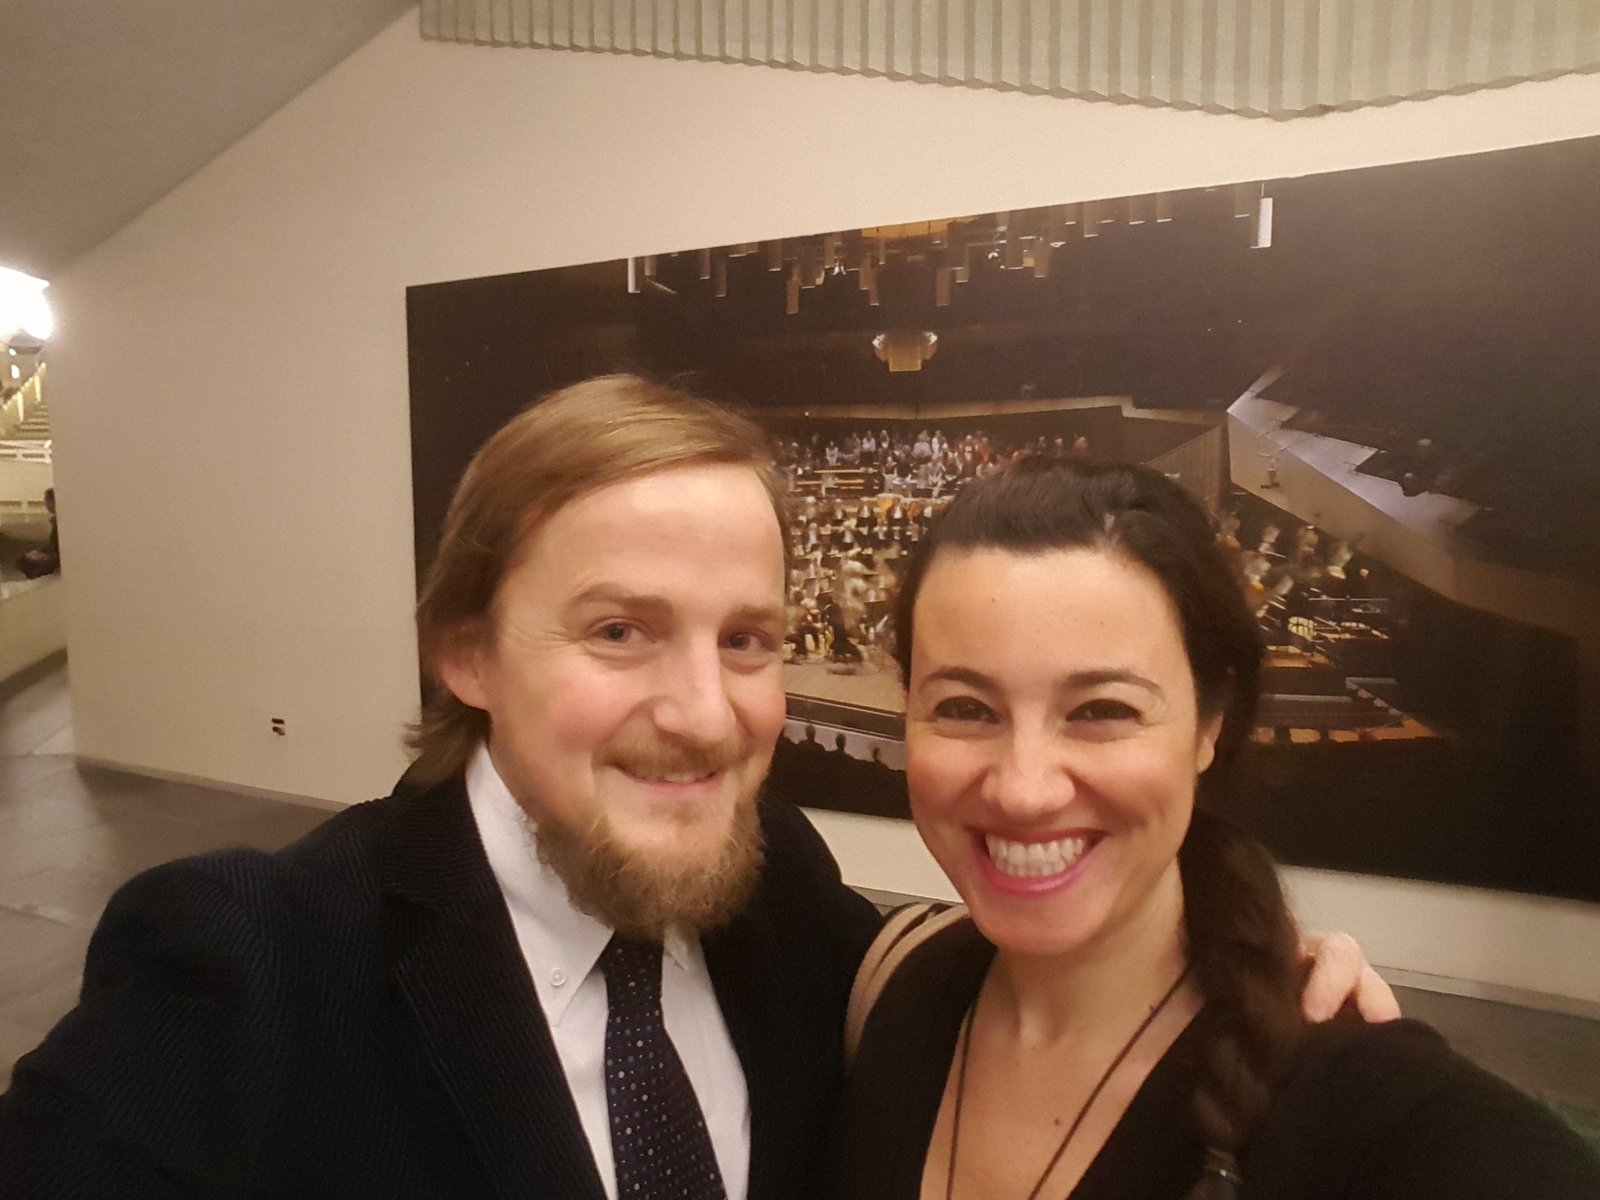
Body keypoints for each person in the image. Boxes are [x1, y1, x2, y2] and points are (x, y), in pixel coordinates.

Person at [0, 379, 1386, 1199]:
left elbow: (972, 950)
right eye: (620, 631)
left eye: (749, 641)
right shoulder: (241, 962)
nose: (703, 715)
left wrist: (1249, 965)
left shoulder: (770, 880)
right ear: (466, 649)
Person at [822, 458, 1600, 1200]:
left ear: (1210, 726)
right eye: (964, 708)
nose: (1025, 789)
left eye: (1102, 711)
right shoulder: (889, 992)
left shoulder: (1366, 1105)